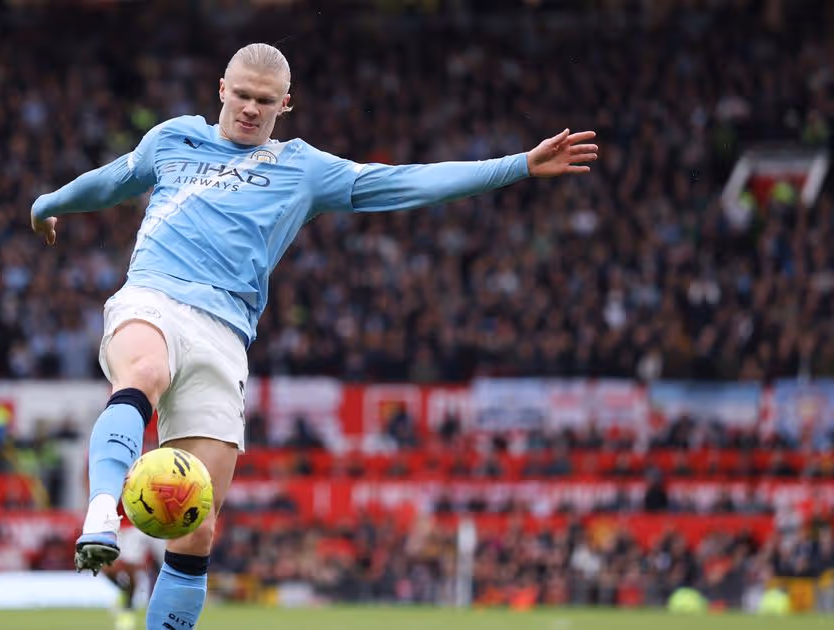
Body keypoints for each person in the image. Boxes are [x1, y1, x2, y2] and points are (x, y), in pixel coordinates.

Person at [29, 42, 597, 629]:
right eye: (243, 95)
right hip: (154, 296)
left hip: (225, 334)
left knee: (198, 527)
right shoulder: (172, 138)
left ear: (286, 105)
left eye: (265, 101)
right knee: (142, 375)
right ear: (222, 89)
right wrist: (49, 203)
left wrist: (519, 165)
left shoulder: (305, 169)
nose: (251, 109)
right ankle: (103, 511)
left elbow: (409, 183)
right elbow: (112, 182)